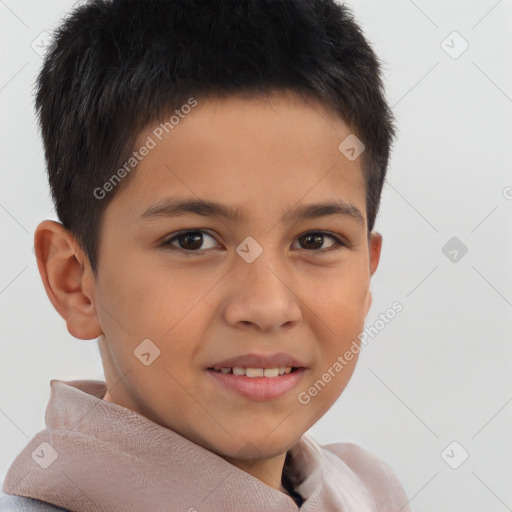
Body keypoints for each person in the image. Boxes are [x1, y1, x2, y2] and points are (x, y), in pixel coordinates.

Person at [1, 0, 411, 510]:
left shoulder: (368, 494)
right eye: (192, 240)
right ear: (74, 281)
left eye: (315, 241)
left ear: (367, 273)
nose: (267, 307)